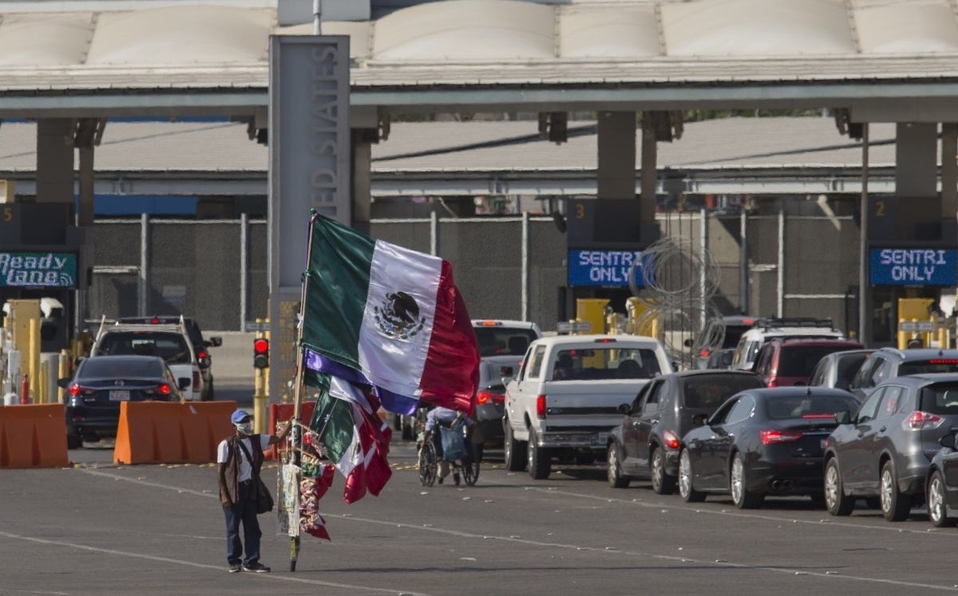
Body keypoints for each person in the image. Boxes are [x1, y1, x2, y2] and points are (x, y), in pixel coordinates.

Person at [216, 409, 291, 574]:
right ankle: (233, 561)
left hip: (250, 490)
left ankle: (251, 561)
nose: (246, 425)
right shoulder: (226, 445)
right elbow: (220, 473)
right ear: (234, 425)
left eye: (247, 421)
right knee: (233, 529)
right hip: (233, 491)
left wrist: (290, 424)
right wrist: (224, 495)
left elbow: (278, 438)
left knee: (253, 528)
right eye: (242, 422)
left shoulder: (257, 440)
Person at [424, 405, 475, 486]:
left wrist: (424, 440)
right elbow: (471, 425)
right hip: (457, 443)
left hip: (441, 445)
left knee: (436, 442)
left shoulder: (435, 413)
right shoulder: (459, 413)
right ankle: (454, 470)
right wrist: (469, 438)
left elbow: (428, 428)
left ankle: (441, 474)